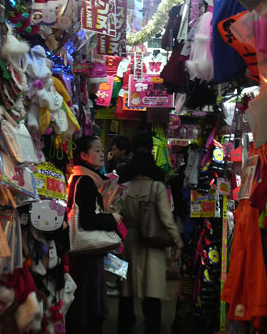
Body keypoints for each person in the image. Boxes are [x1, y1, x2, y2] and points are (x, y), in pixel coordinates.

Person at [117, 137, 183, 334]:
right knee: (153, 293)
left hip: (127, 242)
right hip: (153, 244)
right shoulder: (158, 188)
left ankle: (124, 327)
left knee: (125, 292)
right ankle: (152, 328)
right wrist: (178, 243)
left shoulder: (124, 188)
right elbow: (166, 219)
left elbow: (115, 216)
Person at [65, 135, 122, 334]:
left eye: (101, 150)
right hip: (86, 259)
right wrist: (112, 218)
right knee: (87, 310)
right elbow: (87, 220)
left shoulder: (79, 177)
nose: (101, 154)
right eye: (96, 150)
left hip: (82, 259)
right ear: (83, 154)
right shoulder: (87, 182)